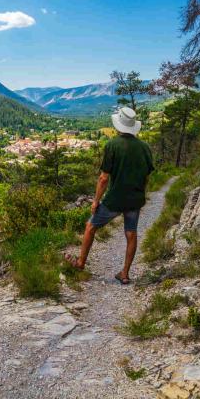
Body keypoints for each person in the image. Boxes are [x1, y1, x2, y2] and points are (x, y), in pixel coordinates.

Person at [65, 107, 154, 284]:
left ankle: (81, 262)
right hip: (135, 199)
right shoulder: (145, 147)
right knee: (131, 234)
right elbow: (146, 176)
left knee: (90, 226)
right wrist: (140, 193)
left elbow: (104, 178)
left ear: (119, 125)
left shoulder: (112, 145)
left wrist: (96, 201)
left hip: (115, 199)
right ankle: (125, 273)